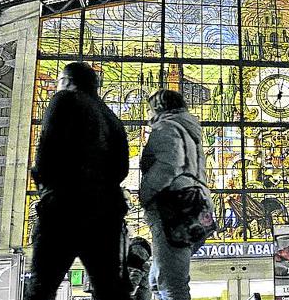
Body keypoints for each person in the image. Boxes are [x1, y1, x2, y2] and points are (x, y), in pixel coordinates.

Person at [26, 62, 131, 300]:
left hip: (63, 206)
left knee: (42, 285)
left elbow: (46, 149)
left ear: (67, 81)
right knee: (109, 287)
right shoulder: (112, 117)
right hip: (105, 211)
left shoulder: (64, 100)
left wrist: (45, 188)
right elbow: (122, 169)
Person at [140, 89, 211, 300]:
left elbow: (168, 166)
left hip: (172, 212)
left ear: (159, 107)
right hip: (195, 210)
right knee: (157, 281)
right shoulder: (190, 131)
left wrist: (145, 194)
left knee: (170, 284)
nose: (148, 114)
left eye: (150, 109)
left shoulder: (167, 126)